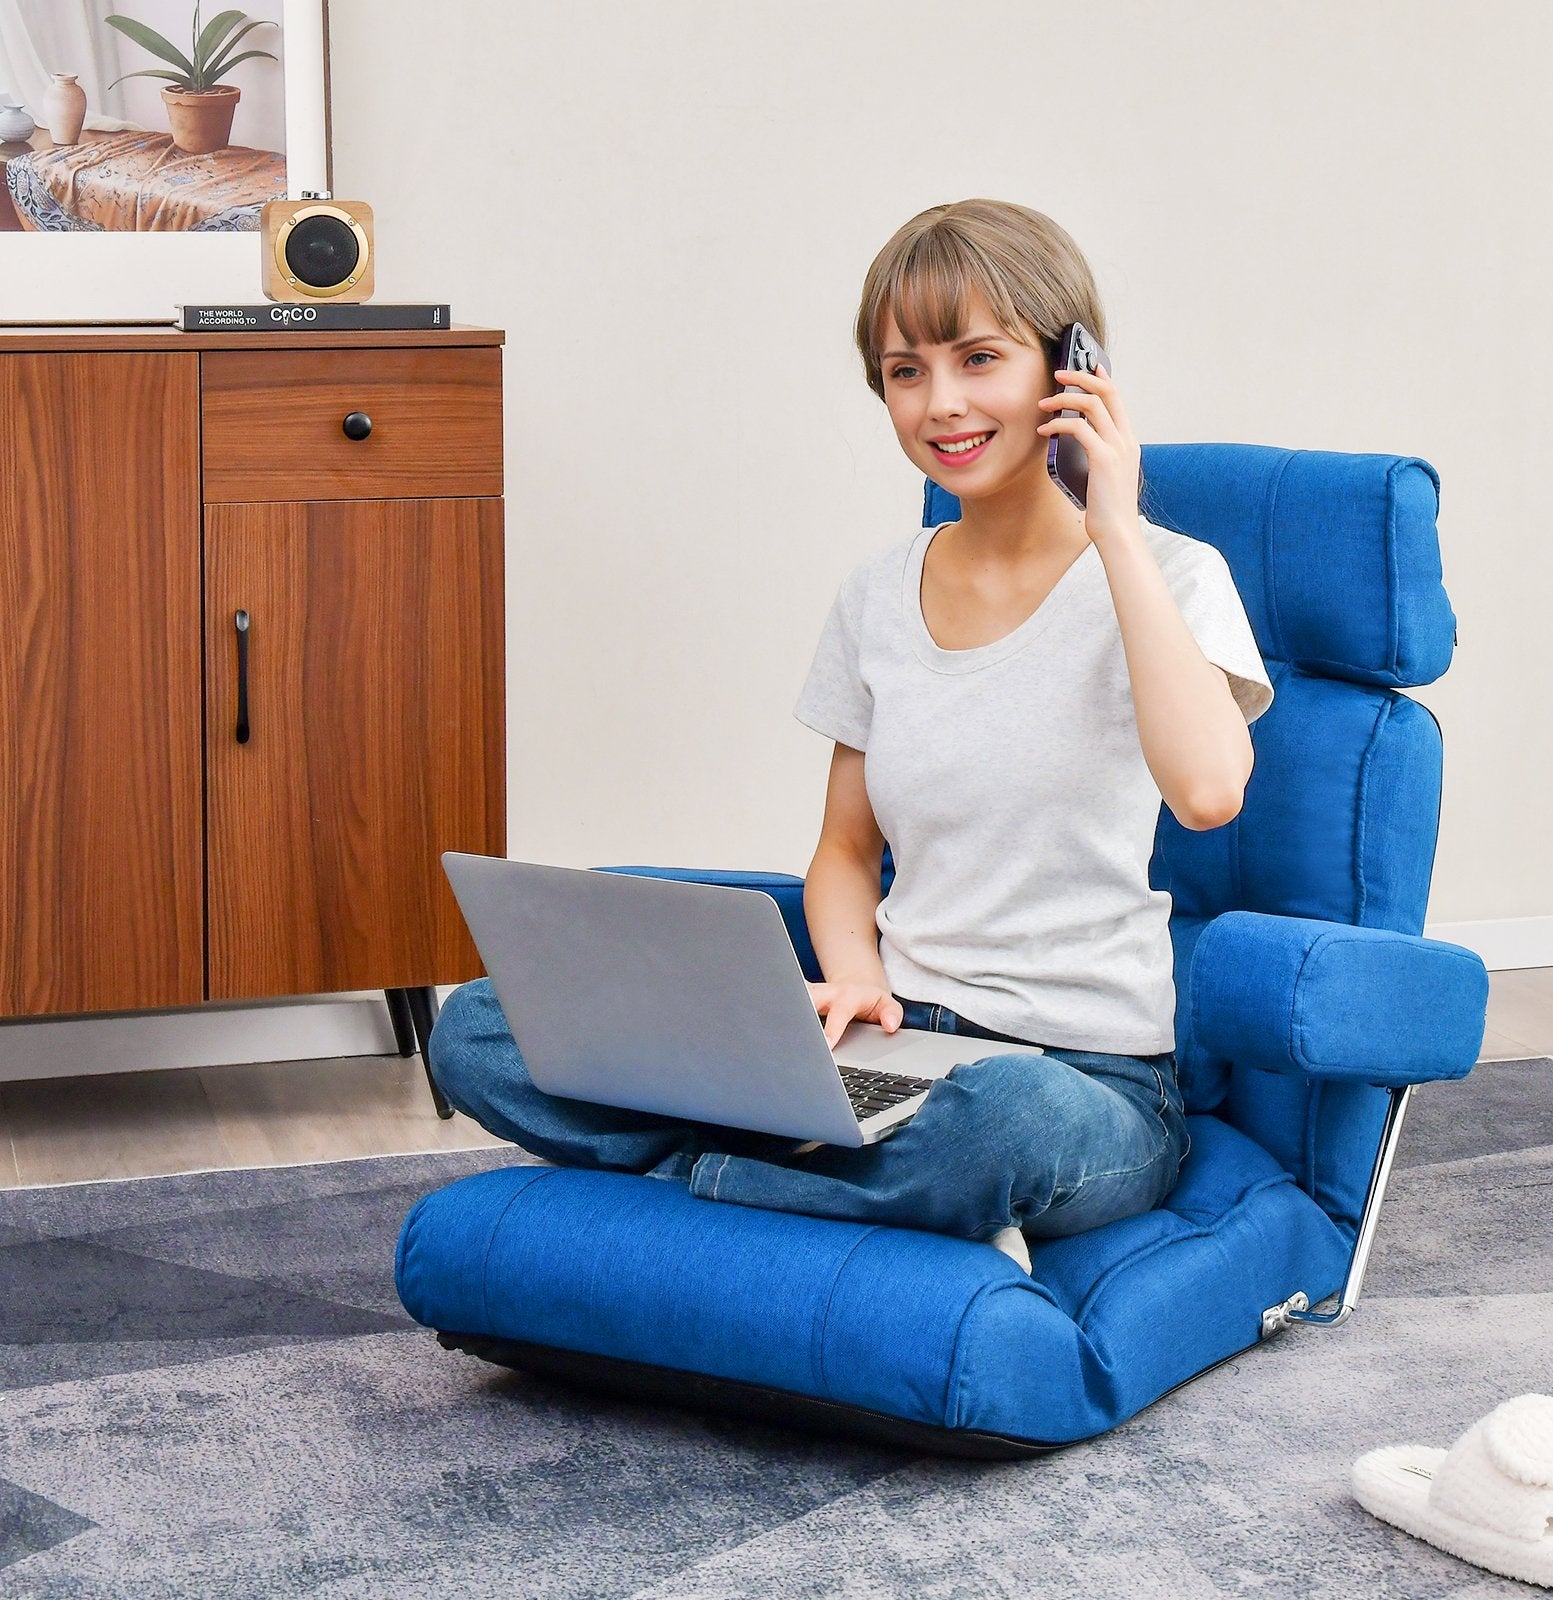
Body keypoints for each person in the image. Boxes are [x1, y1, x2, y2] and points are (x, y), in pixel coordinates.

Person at [426, 197, 1274, 1277]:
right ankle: (828, 1171)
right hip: (890, 1042)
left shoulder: (1170, 574)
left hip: (1077, 1080)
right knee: (487, 1025)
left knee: (993, 1123)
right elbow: (840, 851)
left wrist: (1111, 522)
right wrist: (853, 975)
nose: (942, 403)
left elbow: (1207, 790)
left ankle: (711, 1176)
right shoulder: (876, 595)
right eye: (905, 370)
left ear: (1070, 369)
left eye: (979, 359)